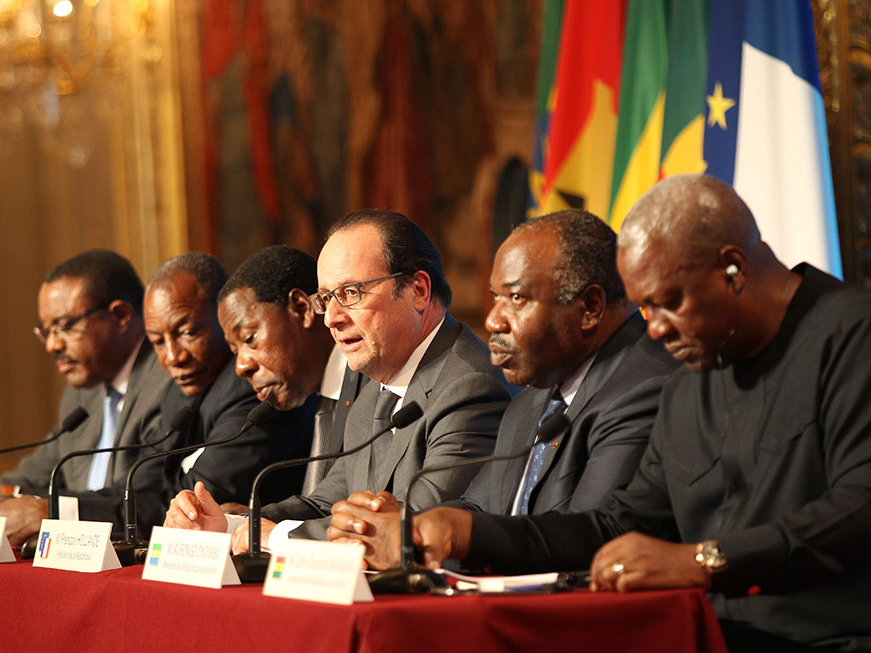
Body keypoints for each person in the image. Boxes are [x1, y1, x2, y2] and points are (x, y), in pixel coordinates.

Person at [406, 175, 871, 650]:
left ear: (733, 269)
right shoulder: (693, 377)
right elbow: (619, 524)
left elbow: (860, 508)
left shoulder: (853, 333)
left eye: (669, 303)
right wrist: (469, 534)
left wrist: (705, 561)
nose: (656, 331)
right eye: (647, 308)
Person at [326, 210, 678, 569]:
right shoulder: (532, 402)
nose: (493, 320)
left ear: (589, 308)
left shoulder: (647, 386)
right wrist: (409, 528)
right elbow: (478, 508)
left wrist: (456, 533)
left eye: (518, 298)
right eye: (495, 297)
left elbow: (602, 535)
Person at [164, 209, 514, 554]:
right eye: (326, 298)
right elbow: (323, 504)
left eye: (350, 293)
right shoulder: (374, 392)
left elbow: (413, 525)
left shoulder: (470, 386)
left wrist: (278, 538)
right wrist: (229, 526)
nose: (331, 318)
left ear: (418, 291)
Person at [0, 250, 172, 539]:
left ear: (120, 315)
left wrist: (44, 511)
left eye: (65, 327)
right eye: (46, 331)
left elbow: (138, 499)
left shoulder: (167, 381)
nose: (52, 345)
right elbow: (43, 469)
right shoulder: (84, 392)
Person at [62, 252, 317, 535]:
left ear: (223, 319)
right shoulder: (181, 389)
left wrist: (61, 513)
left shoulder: (255, 389)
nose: (173, 357)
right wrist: (54, 507)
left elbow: (191, 507)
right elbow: (139, 483)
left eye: (187, 332)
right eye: (157, 342)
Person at [215, 245, 364, 497]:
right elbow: (322, 509)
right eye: (234, 350)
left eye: (250, 338)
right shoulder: (315, 402)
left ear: (301, 309)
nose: (241, 366)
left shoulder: (376, 389)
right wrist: (245, 522)